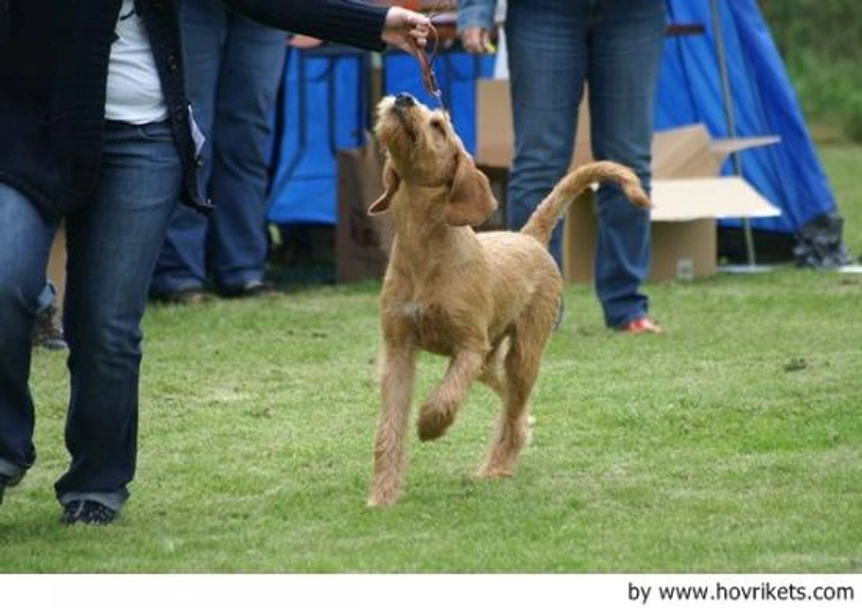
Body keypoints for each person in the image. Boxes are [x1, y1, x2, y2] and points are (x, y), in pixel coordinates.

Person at [0, 0, 430, 524]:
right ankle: (6, 448)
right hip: (29, 132)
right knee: (6, 276)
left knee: (107, 328)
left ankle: (98, 483)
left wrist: (373, 22)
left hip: (145, 135)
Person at [458, 0, 666, 334]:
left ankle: (627, 307)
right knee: (539, 163)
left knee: (630, 161)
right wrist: (476, 11)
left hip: (634, 12)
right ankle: (532, 309)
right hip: (542, 11)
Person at [150, 0, 287, 303]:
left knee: (248, 138)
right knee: (191, 130)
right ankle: (178, 274)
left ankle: (244, 269)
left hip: (268, 16)